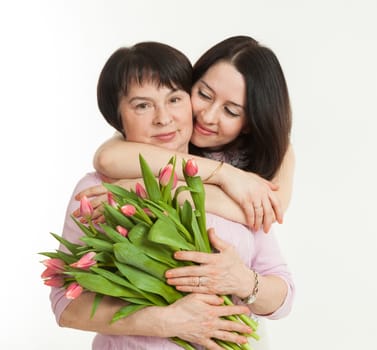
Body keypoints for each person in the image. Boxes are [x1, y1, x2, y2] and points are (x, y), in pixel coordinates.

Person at [50, 41, 294, 350]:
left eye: (175, 99)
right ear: (118, 117)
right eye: (142, 105)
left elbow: (284, 295)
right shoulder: (98, 190)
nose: (163, 118)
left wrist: (242, 280)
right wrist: (165, 321)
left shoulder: (235, 186)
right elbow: (65, 305)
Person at [79, 36, 295, 233]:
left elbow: (266, 210)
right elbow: (108, 158)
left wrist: (154, 189)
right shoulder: (168, 131)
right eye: (203, 94)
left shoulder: (276, 151)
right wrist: (226, 175)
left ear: (251, 122)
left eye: (231, 111)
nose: (207, 116)